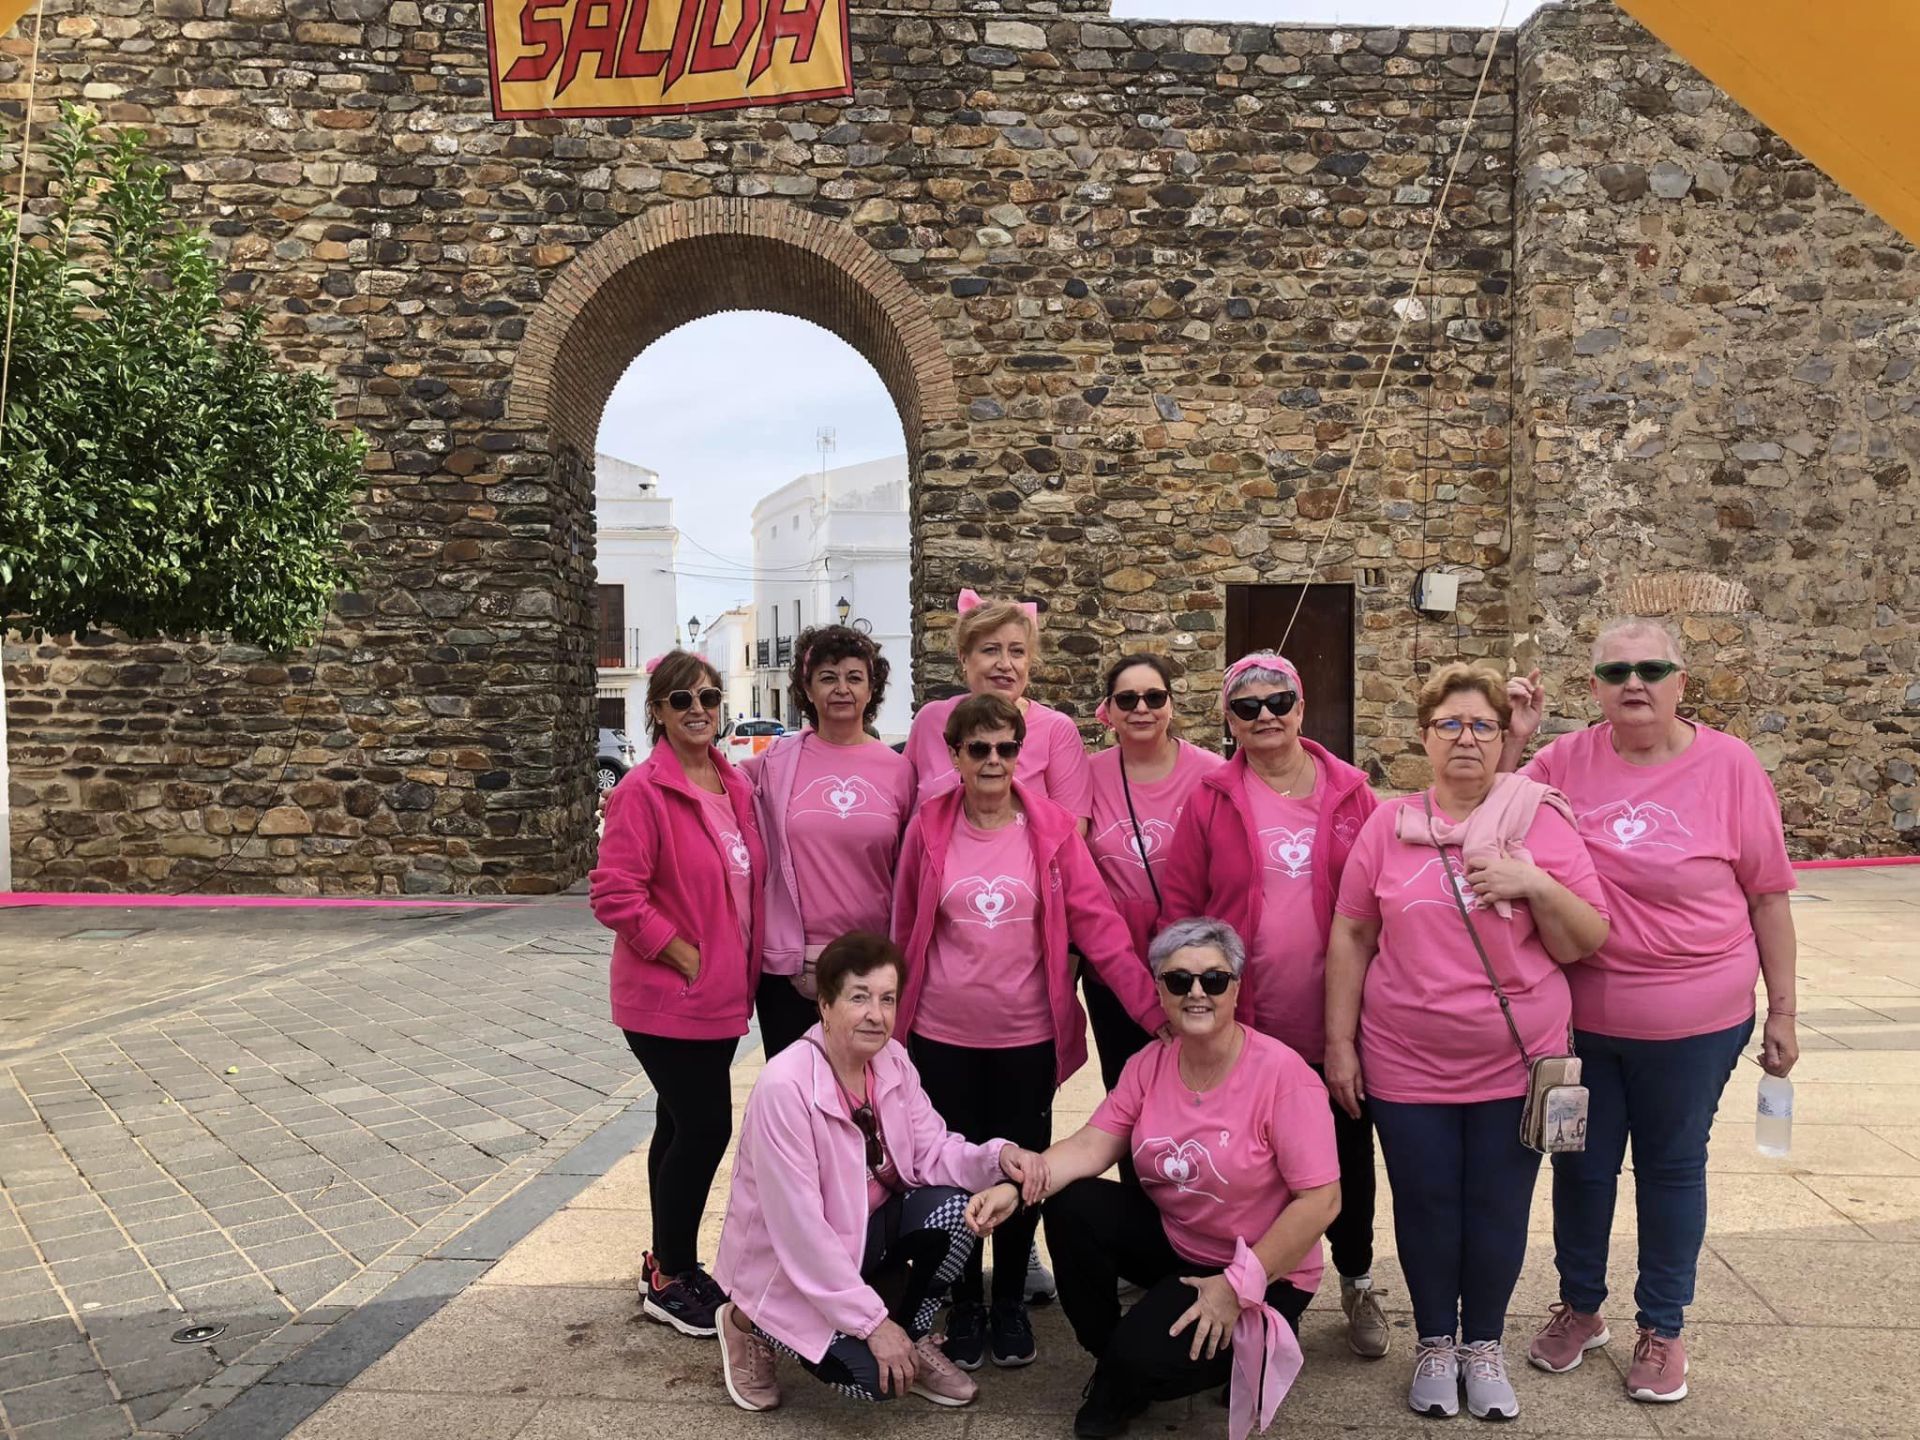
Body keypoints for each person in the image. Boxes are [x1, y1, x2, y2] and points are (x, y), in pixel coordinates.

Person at [1500, 619, 1799, 1403]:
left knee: (1671, 1169)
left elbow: (1768, 897)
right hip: (1585, 1018)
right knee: (1582, 1167)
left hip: (1696, 1023)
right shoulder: (1564, 759)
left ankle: (1663, 1326)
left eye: (1653, 669)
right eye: (1617, 671)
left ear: (1681, 683)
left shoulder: (1730, 765)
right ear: (1594, 685)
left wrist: (1785, 1012)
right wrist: (1515, 740)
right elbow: (1491, 816)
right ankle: (1582, 1307)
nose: (1636, 683)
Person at [1325, 662, 1610, 1421]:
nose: (1465, 739)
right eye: (1449, 724)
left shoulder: (1539, 819)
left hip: (1514, 1060)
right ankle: (1432, 1343)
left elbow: (1588, 937)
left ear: (1503, 736)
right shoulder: (1389, 826)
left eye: (1482, 725)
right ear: (1423, 736)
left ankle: (1481, 1343)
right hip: (1404, 1057)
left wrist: (1535, 884)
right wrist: (1339, 1042)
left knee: (1496, 1205)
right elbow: (1352, 932)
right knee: (1422, 1204)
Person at [969, 917, 1341, 1440]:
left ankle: (1207, 1347)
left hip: (1263, 1265)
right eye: (1177, 980)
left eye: (1213, 980)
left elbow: (1321, 1201)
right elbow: (1092, 1144)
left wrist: (1237, 1289)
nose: (1196, 993)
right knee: (1072, 1205)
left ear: (1236, 988)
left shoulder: (1284, 1077)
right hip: (1179, 1239)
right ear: (1160, 990)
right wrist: (1016, 1187)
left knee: (1146, 1361)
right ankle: (1118, 1362)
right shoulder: (1151, 1064)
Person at [892, 692, 1166, 1372]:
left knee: (1024, 1171)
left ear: (1021, 753)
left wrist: (1155, 1014)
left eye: (1005, 748)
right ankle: (964, 1301)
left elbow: (1100, 928)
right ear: (954, 755)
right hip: (940, 1036)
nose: (992, 760)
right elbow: (903, 930)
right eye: (977, 748)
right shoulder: (927, 828)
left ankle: (1010, 1298)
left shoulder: (1050, 831)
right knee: (951, 1175)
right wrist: (886, 1034)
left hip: (1025, 1039)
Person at [711, 932, 1050, 1412]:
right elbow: (801, 1234)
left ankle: (910, 1339)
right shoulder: (785, 1089)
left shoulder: (892, 1061)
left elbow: (933, 1149)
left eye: (888, 999)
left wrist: (997, 1158)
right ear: (824, 1005)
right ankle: (747, 1321)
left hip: (859, 1240)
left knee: (957, 1209)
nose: (877, 1013)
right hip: (788, 1266)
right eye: (859, 997)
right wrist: (872, 1324)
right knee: (874, 1382)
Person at [1159, 651, 1387, 1358]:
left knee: (1345, 1156)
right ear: (1228, 720)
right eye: (1247, 705)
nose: (1266, 716)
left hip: (1337, 1019)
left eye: (1277, 701)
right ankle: (1237, 1281)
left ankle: (1355, 1281)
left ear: (1301, 704)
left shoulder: (1353, 793)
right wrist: (1185, 1008)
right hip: (1244, 1021)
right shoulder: (1211, 797)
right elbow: (1180, 908)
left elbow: (1383, 897)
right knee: (1251, 1166)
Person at [591, 650, 765, 1338]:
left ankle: (666, 1264)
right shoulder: (643, 789)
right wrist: (683, 951)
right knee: (704, 1126)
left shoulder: (734, 784)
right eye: (682, 700)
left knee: (675, 1124)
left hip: (722, 997)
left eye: (710, 698)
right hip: (668, 996)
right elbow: (614, 893)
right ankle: (672, 1274)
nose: (700, 710)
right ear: (657, 710)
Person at [744, 625, 913, 1060]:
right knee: (799, 1096)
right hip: (790, 969)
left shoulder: (899, 771)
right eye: (828, 677)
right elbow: (707, 784)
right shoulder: (775, 764)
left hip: (869, 964)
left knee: (866, 1097)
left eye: (854, 677)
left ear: (871, 688)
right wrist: (631, 792)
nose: (842, 689)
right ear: (807, 687)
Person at [1082, 652, 1225, 1090]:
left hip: (1193, 954)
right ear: (1109, 711)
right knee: (1127, 1087)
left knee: (1198, 1085)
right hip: (1114, 959)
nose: (1141, 708)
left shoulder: (1211, 773)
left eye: (1153, 697)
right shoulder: (1088, 774)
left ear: (1170, 705)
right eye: (1127, 699)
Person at [902, 589, 1093, 819]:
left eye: (1017, 652)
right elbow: (901, 811)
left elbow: (1073, 829)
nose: (1005, 664)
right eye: (991, 650)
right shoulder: (930, 721)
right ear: (964, 657)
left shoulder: (1057, 730)